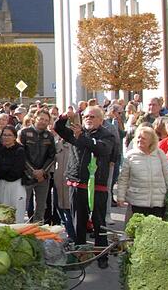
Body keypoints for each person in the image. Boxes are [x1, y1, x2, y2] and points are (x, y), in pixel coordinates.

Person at [54, 106, 114, 269]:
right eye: (86, 116)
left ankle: (101, 255)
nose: (88, 118)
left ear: (101, 120)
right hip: (77, 183)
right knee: (78, 222)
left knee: (98, 222)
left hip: (97, 185)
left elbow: (102, 148)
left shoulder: (106, 135)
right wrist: (65, 116)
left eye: (93, 117)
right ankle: (80, 254)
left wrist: (82, 136)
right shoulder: (76, 131)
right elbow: (58, 128)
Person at [117, 126, 168, 218]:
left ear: (151, 141)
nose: (140, 140)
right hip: (137, 201)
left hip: (158, 201)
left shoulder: (160, 154)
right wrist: (120, 197)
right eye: (138, 137)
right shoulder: (130, 156)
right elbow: (123, 179)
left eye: (143, 138)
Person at [20, 110, 56, 223]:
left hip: (43, 177)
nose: (43, 122)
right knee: (23, 205)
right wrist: (32, 171)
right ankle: (21, 227)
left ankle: (38, 230)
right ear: (35, 118)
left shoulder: (49, 136)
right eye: (41, 119)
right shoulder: (24, 133)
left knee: (41, 207)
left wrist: (43, 172)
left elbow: (52, 156)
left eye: (46, 120)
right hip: (27, 175)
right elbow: (21, 154)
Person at [0, 126, 27, 223]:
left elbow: (16, 171)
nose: (6, 137)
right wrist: (5, 169)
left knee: (17, 212)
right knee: (4, 213)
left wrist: (3, 170)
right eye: (4, 135)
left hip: (16, 184)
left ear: (15, 137)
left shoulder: (20, 150)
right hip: (2, 184)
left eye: (9, 135)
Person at [53, 130, 76, 240]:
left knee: (69, 211)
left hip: (71, 183)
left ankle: (73, 236)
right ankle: (68, 232)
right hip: (58, 183)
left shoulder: (75, 146)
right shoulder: (57, 145)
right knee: (60, 208)